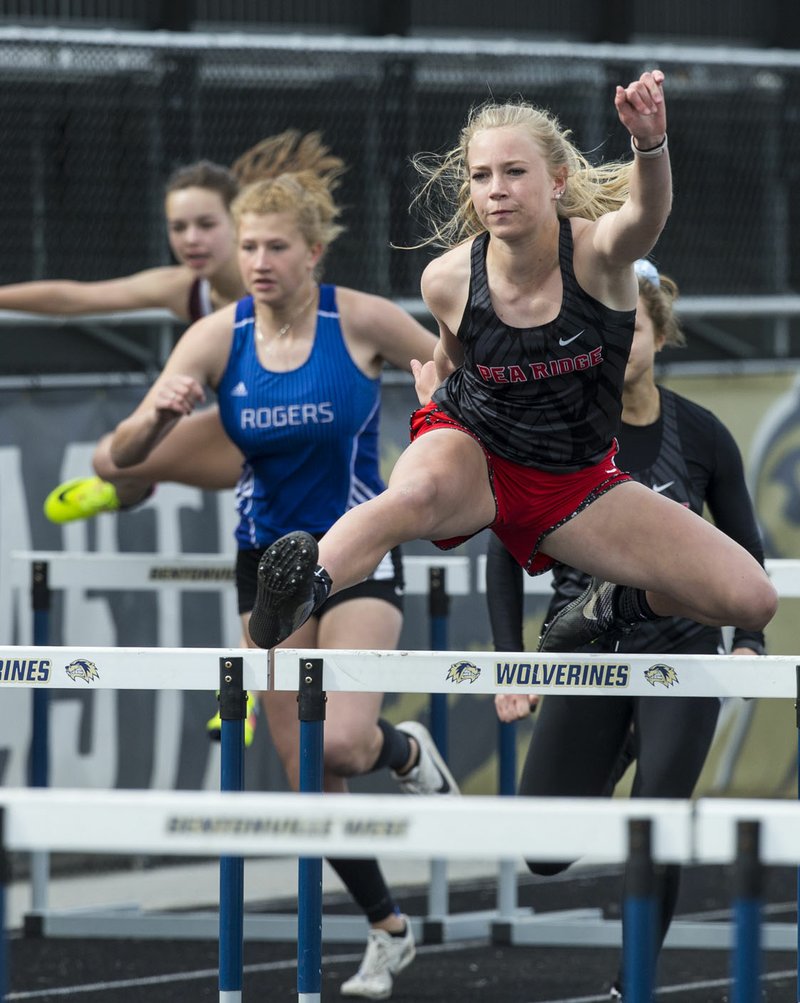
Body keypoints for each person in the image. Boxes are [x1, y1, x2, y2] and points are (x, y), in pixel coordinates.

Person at [241, 70, 777, 678]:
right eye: (481, 176)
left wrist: (649, 145)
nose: (496, 189)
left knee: (750, 598)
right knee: (412, 495)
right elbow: (455, 357)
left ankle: (613, 604)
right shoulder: (446, 279)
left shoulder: (599, 256)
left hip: (574, 484)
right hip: (476, 449)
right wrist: (435, 399)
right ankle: (301, 589)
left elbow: (646, 215)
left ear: (557, 181)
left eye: (514, 172)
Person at [107, 133, 457, 1000]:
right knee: (309, 777)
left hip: (357, 551)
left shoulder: (360, 319)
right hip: (265, 567)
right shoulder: (213, 338)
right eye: (248, 246)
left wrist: (436, 410)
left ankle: (398, 745)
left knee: (339, 736)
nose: (256, 261)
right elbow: (120, 458)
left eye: (274, 248)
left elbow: (452, 372)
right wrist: (157, 417)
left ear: (312, 253)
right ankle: (388, 927)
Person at [491, 258, 768, 999]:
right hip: (585, 646)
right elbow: (501, 549)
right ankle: (614, 746)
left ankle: (631, 984)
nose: (622, 342)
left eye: (634, 326)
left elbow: (745, 551)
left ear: (658, 330)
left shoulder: (702, 434)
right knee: (543, 853)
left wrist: (751, 642)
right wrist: (508, 661)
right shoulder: (562, 431)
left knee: (658, 820)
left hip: (680, 652)